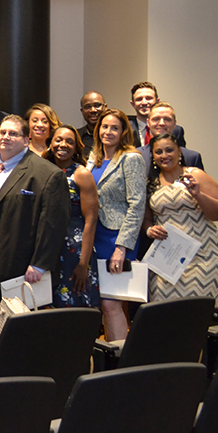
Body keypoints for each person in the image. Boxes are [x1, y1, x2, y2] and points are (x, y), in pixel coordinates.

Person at [0, 115, 69, 343]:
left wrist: (40, 263)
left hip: (16, 265)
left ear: (27, 140)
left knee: (10, 336)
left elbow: (53, 224)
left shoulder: (46, 173)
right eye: (3, 132)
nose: (6, 137)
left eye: (13, 133)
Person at [143, 134, 218, 301]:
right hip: (168, 260)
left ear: (179, 152)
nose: (164, 156)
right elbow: (146, 219)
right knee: (163, 312)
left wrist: (198, 195)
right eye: (158, 152)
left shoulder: (195, 175)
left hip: (204, 257)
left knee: (195, 315)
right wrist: (150, 230)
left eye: (169, 150)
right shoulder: (150, 183)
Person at [87, 109, 146, 341]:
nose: (108, 131)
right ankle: (109, 356)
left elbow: (137, 205)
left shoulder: (131, 159)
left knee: (112, 304)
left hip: (115, 238)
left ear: (123, 132)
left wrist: (122, 247)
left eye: (114, 128)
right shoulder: (94, 159)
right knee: (103, 303)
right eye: (104, 126)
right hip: (94, 236)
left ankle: (119, 361)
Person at [43, 125, 100, 309]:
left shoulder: (81, 174)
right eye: (58, 140)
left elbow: (91, 220)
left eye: (69, 141)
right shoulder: (43, 170)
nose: (63, 145)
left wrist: (83, 263)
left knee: (75, 308)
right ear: (50, 143)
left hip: (74, 252)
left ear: (76, 147)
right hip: (48, 249)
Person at [137, 102, 203, 171]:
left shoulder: (192, 157)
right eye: (156, 119)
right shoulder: (137, 155)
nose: (161, 123)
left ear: (174, 123)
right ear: (148, 123)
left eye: (167, 119)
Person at [78, 91, 107, 158]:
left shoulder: (118, 136)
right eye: (87, 107)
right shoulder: (77, 137)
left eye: (97, 105)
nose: (93, 110)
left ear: (105, 107)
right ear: (82, 111)